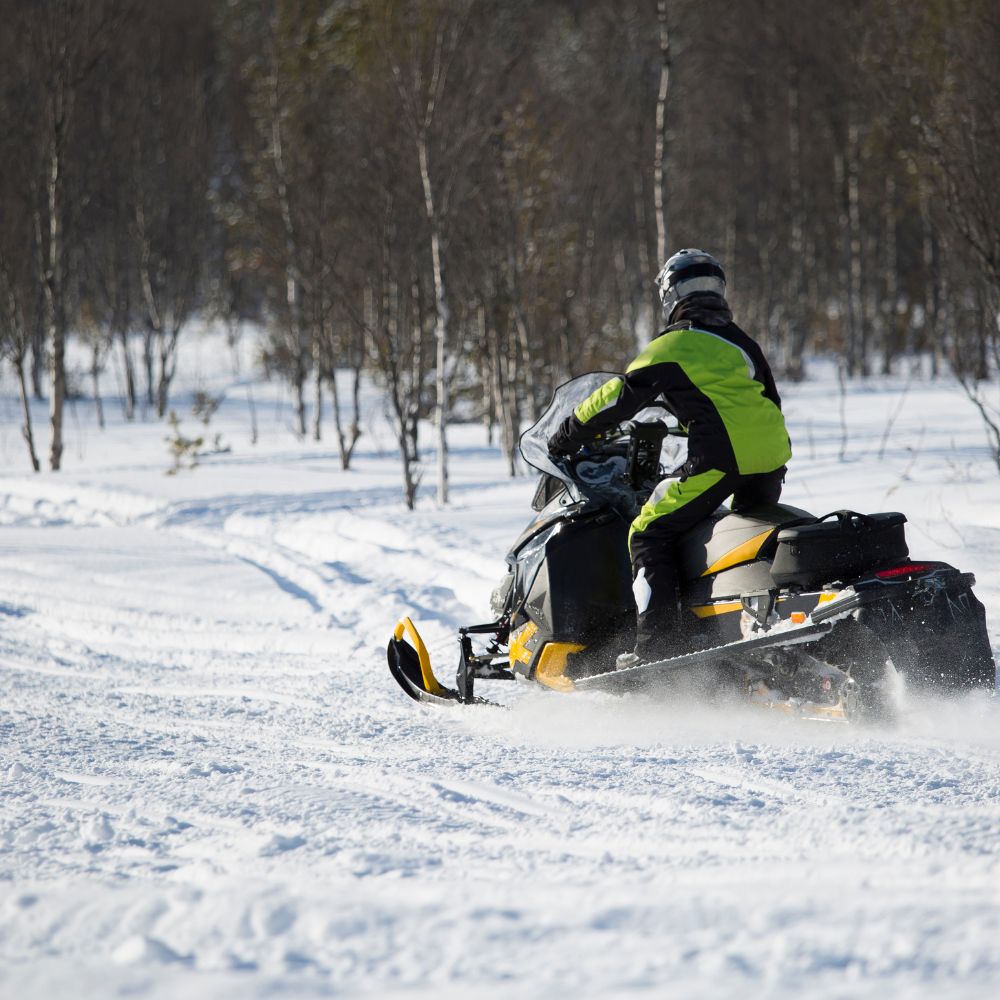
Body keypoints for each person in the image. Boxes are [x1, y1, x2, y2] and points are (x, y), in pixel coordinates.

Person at [547, 248, 791, 667]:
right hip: (771, 454)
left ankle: (657, 650)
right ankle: (741, 623)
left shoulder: (672, 345)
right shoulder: (741, 342)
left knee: (649, 531)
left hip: (722, 457)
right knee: (741, 540)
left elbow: (618, 397)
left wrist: (568, 433)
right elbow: (763, 399)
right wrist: (689, 422)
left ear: (670, 296)